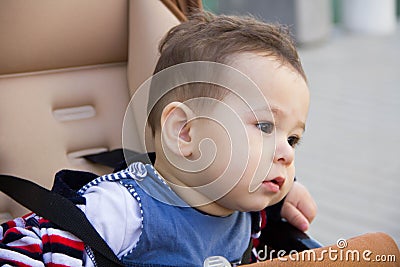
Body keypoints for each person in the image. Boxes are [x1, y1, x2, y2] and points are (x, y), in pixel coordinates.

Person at [0, 12, 316, 266]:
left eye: (292, 139)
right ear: (185, 132)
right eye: (263, 126)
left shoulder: (249, 214)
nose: (286, 154)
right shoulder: (123, 209)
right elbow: (28, 248)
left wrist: (283, 197)